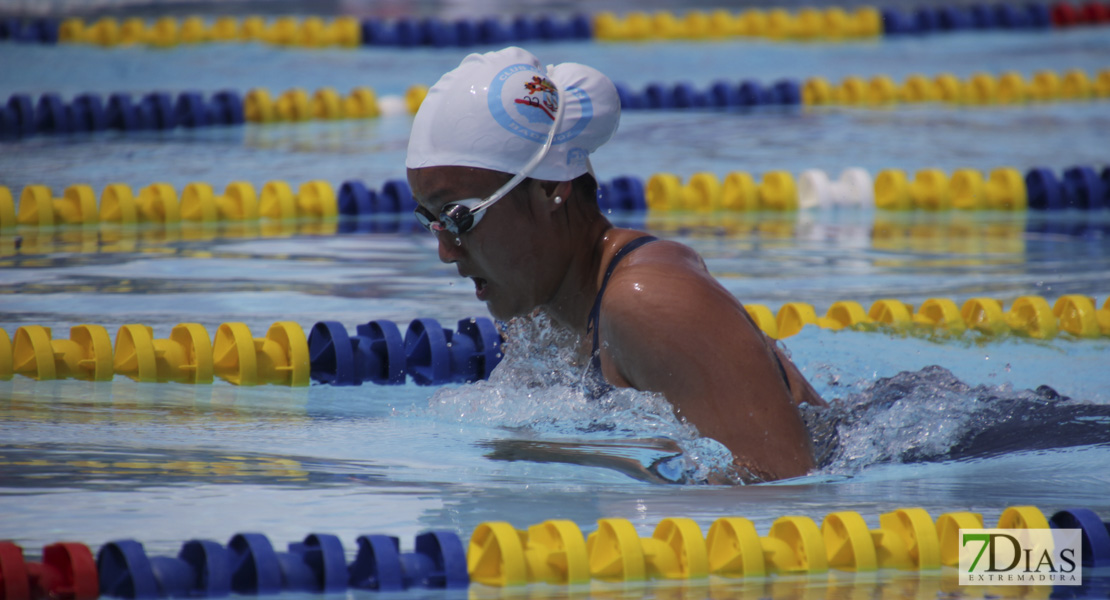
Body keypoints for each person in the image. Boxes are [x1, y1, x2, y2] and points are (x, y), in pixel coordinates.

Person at [405, 47, 825, 483]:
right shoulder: (537, 311)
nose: (446, 251)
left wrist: (588, 457)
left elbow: (785, 493)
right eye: (430, 220)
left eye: (460, 217)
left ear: (549, 188)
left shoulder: (650, 305)